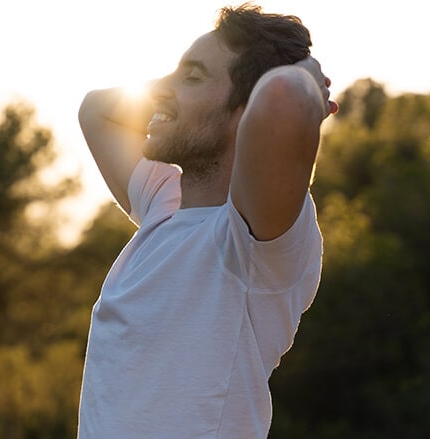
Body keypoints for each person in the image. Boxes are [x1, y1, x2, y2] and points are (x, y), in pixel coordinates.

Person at [76, 3, 338, 437]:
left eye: (193, 77)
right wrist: (174, 92)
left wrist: (307, 73)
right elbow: (95, 109)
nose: (165, 89)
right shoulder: (163, 202)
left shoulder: (251, 243)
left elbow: (284, 99)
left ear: (245, 110)